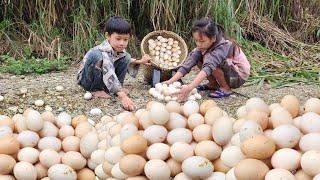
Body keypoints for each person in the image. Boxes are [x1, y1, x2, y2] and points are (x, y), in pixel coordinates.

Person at [164, 17, 250, 101]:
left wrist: (190, 87)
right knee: (196, 55)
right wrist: (171, 81)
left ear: (213, 38)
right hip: (229, 72)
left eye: (202, 41)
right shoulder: (203, 46)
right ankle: (212, 84)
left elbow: (209, 66)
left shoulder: (224, 45)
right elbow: (189, 63)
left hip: (238, 76)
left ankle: (226, 88)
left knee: (210, 61)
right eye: (196, 40)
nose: (198, 44)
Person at [77, 16, 151, 111]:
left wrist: (140, 61)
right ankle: (95, 89)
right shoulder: (103, 50)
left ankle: (117, 87)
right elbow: (108, 70)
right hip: (87, 80)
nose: (122, 43)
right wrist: (123, 96)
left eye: (125, 40)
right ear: (108, 36)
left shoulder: (118, 50)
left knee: (126, 56)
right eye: (118, 39)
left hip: (103, 78)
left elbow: (122, 59)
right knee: (97, 56)